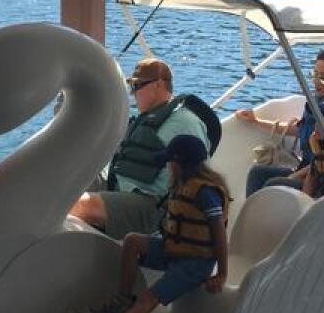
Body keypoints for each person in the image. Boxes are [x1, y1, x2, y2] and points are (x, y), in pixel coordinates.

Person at [64, 135, 229, 313]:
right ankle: (123, 301)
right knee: (132, 241)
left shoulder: (206, 193)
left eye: (171, 162)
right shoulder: (184, 185)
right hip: (175, 249)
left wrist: (221, 274)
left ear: (181, 165)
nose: (168, 167)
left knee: (148, 298)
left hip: (195, 262)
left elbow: (219, 234)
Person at [69, 57, 218, 240]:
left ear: (158, 85)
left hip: (151, 205)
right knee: (64, 181)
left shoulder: (185, 123)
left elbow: (199, 176)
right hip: (119, 186)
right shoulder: (146, 119)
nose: (133, 93)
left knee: (76, 205)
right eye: (132, 87)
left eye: (137, 86)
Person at [238, 47, 324, 196]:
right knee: (257, 173)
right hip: (307, 170)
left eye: (323, 78)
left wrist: (292, 177)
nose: (316, 81)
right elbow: (302, 129)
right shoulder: (323, 104)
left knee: (273, 185)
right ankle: (251, 217)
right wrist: (256, 121)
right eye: (314, 74)